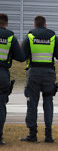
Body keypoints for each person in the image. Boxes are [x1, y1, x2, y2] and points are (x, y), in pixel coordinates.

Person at [20, 15, 58, 143]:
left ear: (35, 25)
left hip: (33, 73)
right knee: (48, 103)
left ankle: (32, 135)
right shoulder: (53, 38)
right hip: (49, 74)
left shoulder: (29, 37)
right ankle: (48, 135)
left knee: (32, 103)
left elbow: (22, 56)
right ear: (45, 24)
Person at [0, 13, 25, 145]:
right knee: (1, 107)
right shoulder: (10, 36)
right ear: (6, 23)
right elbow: (21, 57)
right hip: (2, 74)